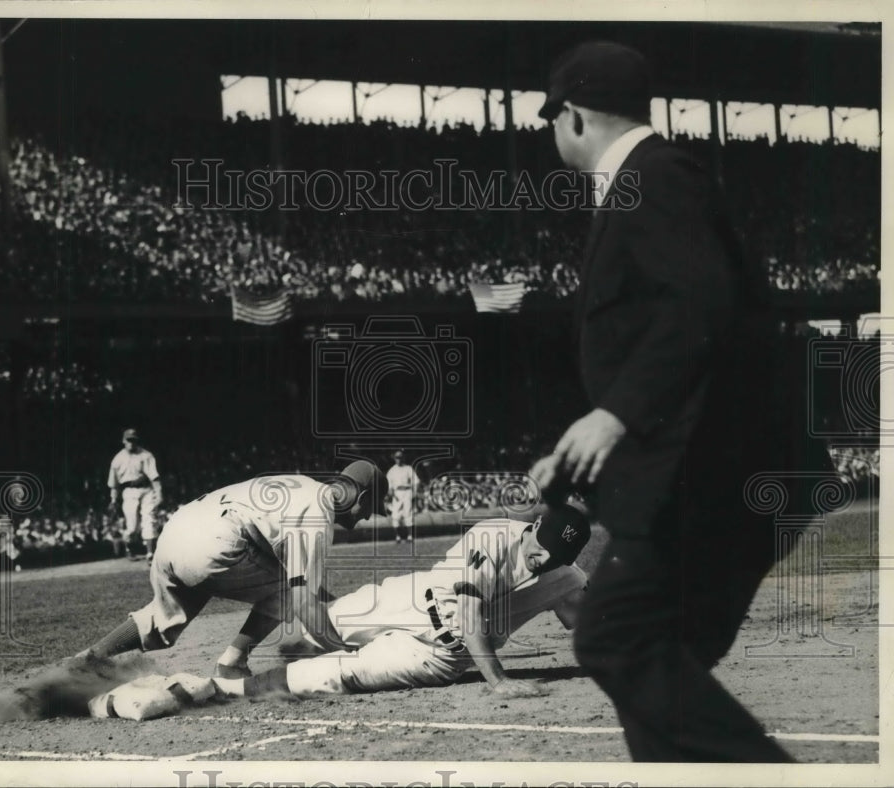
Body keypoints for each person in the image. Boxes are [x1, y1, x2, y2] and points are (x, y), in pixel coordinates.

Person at [530, 41, 836, 762]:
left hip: (714, 482)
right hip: (716, 476)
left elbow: (700, 305)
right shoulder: (652, 180)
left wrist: (616, 414)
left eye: (553, 119)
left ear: (573, 116)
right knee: (654, 670)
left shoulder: (654, 176)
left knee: (615, 638)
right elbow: (680, 332)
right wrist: (591, 442)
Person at [212, 501, 591, 700]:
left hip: (440, 654)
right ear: (535, 525)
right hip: (410, 597)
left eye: (558, 556)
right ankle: (235, 662)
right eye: (543, 546)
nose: (545, 558)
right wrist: (498, 680)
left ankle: (221, 690)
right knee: (305, 639)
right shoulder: (493, 536)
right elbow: (470, 612)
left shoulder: (568, 577)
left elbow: (587, 622)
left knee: (337, 673)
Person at [78, 461, 387, 678]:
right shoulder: (319, 511)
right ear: (361, 497)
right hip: (214, 544)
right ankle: (233, 663)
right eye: (371, 509)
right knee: (289, 591)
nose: (367, 518)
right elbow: (301, 598)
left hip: (175, 533)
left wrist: (328, 600)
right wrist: (343, 651)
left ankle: (85, 661)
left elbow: (287, 570)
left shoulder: (300, 487)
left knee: (162, 617)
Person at [107, 427, 162, 563]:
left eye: (133, 440)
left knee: (149, 519)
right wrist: (113, 500)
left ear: (137, 441)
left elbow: (154, 476)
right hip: (129, 491)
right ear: (123, 441)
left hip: (146, 490)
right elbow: (114, 484)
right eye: (128, 440)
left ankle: (150, 554)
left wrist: (159, 493)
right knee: (132, 525)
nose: (131, 443)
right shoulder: (117, 460)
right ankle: (129, 549)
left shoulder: (146, 455)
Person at [385, 449, 420, 543]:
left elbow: (416, 481)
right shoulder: (392, 470)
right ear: (394, 458)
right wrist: (392, 493)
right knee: (396, 515)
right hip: (397, 493)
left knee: (408, 513)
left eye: (400, 457)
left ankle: (410, 536)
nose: (399, 459)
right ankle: (398, 537)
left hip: (407, 491)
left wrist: (414, 493)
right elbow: (389, 484)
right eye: (397, 457)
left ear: (403, 458)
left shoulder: (408, 468)